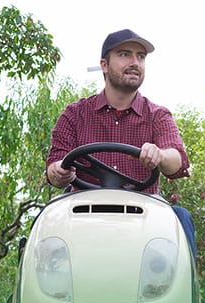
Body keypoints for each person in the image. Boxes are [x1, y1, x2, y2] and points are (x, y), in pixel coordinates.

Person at [44, 29, 196, 257]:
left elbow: (176, 160)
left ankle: (184, 293)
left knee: (181, 218)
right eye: (125, 54)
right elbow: (55, 167)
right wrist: (58, 172)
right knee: (45, 219)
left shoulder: (158, 115)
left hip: (144, 214)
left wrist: (160, 155)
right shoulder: (75, 114)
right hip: (82, 214)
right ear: (104, 64)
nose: (135, 62)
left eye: (141, 57)